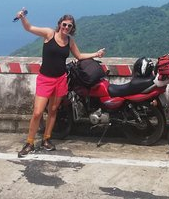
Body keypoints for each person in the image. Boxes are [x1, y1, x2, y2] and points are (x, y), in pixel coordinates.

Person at [15, 8, 105, 156]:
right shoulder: (49, 34)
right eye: (64, 24)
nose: (66, 28)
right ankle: (29, 142)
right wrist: (22, 18)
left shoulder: (70, 41)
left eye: (69, 26)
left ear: (72, 28)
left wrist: (96, 54)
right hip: (45, 80)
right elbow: (29, 28)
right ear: (59, 24)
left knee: (53, 110)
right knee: (37, 112)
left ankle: (46, 139)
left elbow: (79, 55)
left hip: (60, 79)